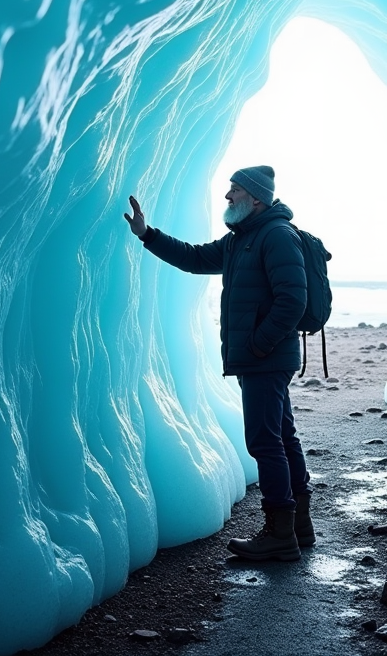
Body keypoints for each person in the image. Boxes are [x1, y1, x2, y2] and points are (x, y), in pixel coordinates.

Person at [124, 165, 315, 562]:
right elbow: (194, 258)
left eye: (235, 191)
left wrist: (258, 346)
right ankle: (298, 526)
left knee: (265, 441)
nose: (227, 198)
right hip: (263, 359)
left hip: (267, 359)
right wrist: (148, 235)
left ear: (256, 198)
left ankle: (280, 532)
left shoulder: (277, 236)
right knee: (282, 435)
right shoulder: (239, 241)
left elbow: (292, 300)